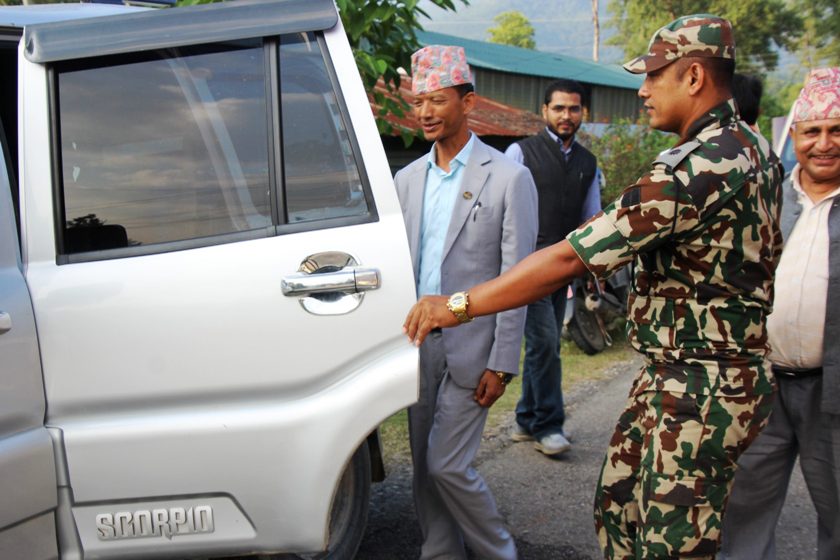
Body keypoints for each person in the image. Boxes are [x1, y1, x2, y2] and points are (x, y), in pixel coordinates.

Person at [403, 15, 784, 559]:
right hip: (686, 374)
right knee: (620, 505)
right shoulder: (752, 148)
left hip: (700, 387)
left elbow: (567, 258)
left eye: (654, 75)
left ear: (694, 76)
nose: (643, 89)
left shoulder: (700, 166)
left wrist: (459, 305)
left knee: (667, 541)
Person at [395, 45, 538, 560]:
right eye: (419, 102)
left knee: (447, 465)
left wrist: (503, 363)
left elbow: (518, 278)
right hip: (418, 345)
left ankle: (499, 552)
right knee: (423, 469)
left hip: (473, 347)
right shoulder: (407, 180)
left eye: (437, 100)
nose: (426, 112)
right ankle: (440, 552)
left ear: (467, 101)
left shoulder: (507, 177)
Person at [720, 67, 840, 560]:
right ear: (794, 134)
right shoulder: (768, 197)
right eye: (812, 131)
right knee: (742, 506)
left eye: (837, 131)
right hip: (762, 386)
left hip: (831, 393)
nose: (824, 143)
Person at [504, 79, 602, 456]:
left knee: (542, 347)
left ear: (583, 114)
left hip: (565, 268)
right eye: (559, 108)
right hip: (527, 266)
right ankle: (549, 424)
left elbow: (592, 218)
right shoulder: (521, 152)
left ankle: (527, 418)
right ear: (544, 111)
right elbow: (504, 210)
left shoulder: (587, 163)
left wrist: (593, 270)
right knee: (546, 341)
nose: (566, 115)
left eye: (573, 109)